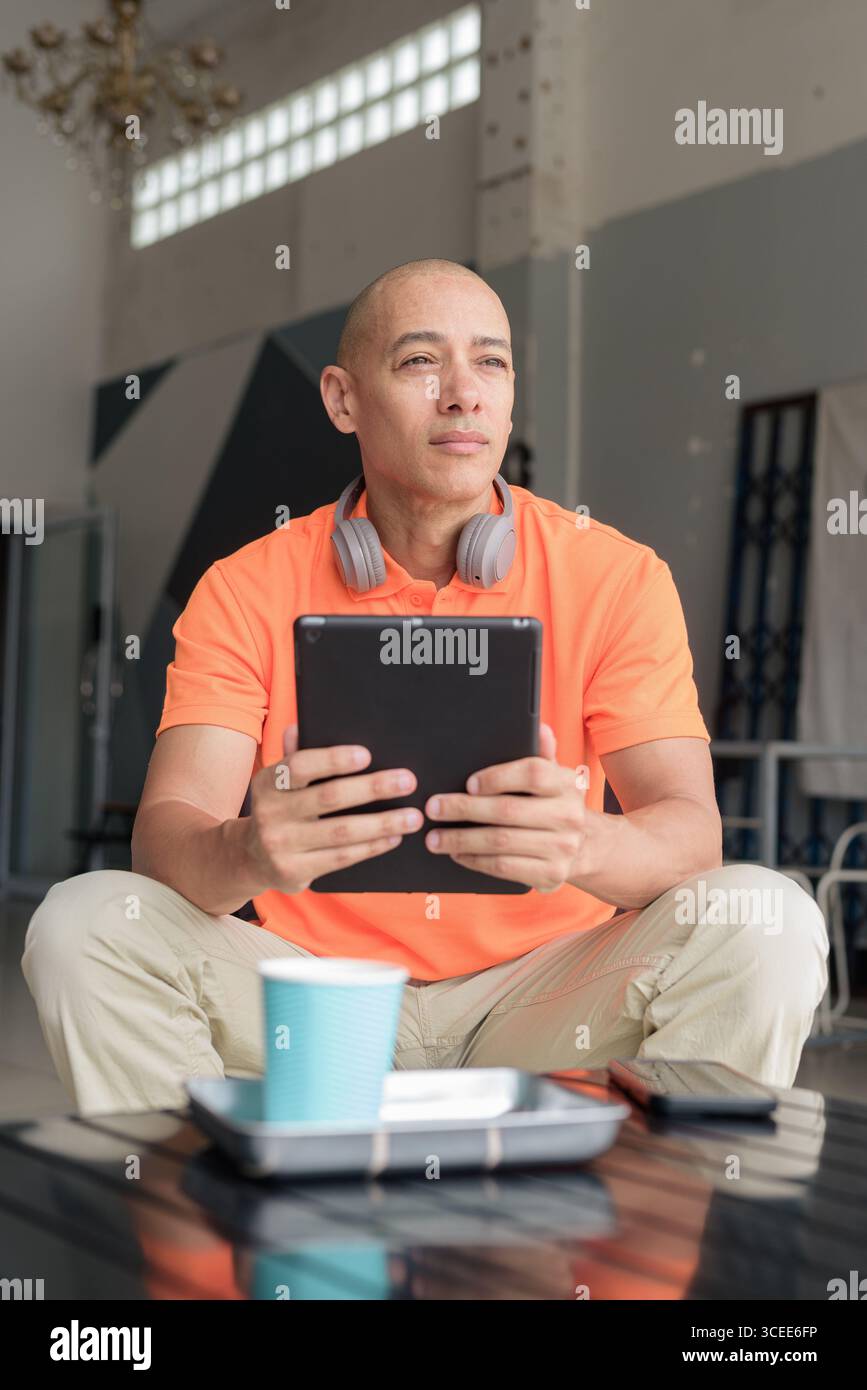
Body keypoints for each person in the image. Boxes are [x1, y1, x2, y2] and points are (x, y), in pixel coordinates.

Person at [22, 258, 828, 1116]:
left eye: (490, 361)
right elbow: (164, 841)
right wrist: (249, 850)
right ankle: (205, 1231)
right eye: (419, 361)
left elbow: (689, 836)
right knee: (88, 924)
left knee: (763, 917)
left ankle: (644, 1236)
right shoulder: (244, 586)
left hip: (543, 999)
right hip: (314, 999)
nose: (462, 393)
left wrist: (583, 846)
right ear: (341, 399)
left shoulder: (615, 578)